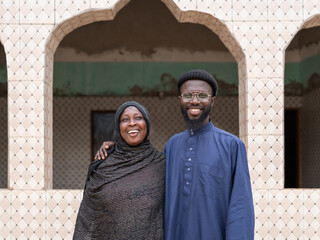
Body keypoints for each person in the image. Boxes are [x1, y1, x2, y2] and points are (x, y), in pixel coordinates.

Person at [95, 69, 255, 240]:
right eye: (188, 95)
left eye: (202, 96)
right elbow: (145, 174)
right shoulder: (172, 145)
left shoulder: (231, 146)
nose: (195, 101)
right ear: (180, 100)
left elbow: (241, 208)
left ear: (212, 101)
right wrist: (117, 149)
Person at [73, 101, 165, 240]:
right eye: (125, 120)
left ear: (147, 123)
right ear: (118, 126)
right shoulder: (104, 166)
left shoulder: (162, 164)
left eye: (138, 118)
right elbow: (89, 219)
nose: (132, 123)